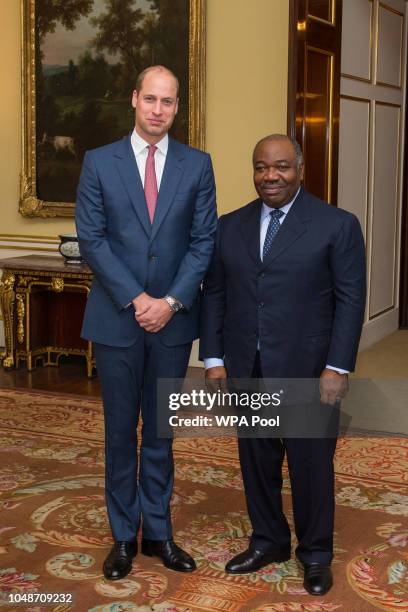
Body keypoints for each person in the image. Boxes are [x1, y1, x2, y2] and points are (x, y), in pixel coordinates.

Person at [200, 134, 366, 596]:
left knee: (311, 466)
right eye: (260, 167)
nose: (270, 176)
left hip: (309, 370)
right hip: (246, 367)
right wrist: (214, 360)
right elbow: (215, 294)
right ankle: (268, 540)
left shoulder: (337, 225)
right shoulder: (229, 226)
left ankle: (315, 555)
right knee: (257, 461)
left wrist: (337, 366)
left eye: (281, 167)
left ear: (300, 170)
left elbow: (351, 301)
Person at [76, 65, 217, 580]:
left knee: (160, 433)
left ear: (177, 106)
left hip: (173, 325)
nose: (159, 110)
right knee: (119, 434)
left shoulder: (197, 166)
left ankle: (158, 533)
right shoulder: (98, 162)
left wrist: (172, 301)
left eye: (169, 102)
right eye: (151, 99)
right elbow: (92, 239)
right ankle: (122, 538)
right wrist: (139, 299)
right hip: (117, 321)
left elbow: (204, 242)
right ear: (134, 99)